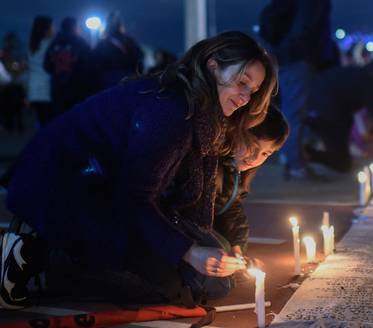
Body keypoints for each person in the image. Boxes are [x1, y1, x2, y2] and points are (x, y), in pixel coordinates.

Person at [0, 31, 277, 309]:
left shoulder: (202, 111)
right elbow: (133, 197)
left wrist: (196, 244)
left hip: (102, 189)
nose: (245, 98)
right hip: (62, 188)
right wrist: (190, 252)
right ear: (212, 65)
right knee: (177, 290)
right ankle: (42, 256)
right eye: (242, 82)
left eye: (252, 92)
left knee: (210, 280)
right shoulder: (171, 112)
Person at [260, 0, 335, 180]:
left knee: (295, 111)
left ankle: (295, 162)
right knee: (295, 113)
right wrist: (303, 52)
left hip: (293, 58)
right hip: (298, 59)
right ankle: (295, 165)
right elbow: (305, 26)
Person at [212, 106, 289, 256]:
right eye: (252, 146)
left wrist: (237, 246)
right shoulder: (212, 167)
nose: (255, 158)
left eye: (265, 153)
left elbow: (232, 209)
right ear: (235, 132)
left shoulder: (236, 171)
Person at [303, 63, 373, 172]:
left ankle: (307, 153)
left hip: (317, 109)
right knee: (343, 164)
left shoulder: (356, 72)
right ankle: (306, 153)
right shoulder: (367, 81)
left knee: (342, 156)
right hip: (328, 115)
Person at [44, 17, 93, 116]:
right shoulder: (80, 43)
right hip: (77, 88)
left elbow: (46, 65)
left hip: (57, 88)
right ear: (74, 27)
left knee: (60, 119)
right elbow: (90, 64)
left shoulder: (54, 44)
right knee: (77, 118)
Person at [93, 12, 144, 91]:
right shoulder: (128, 40)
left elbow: (95, 61)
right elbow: (139, 56)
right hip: (127, 76)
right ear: (120, 25)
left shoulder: (102, 43)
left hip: (107, 78)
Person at [27, 15, 54, 126]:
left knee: (41, 120)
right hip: (46, 88)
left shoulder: (31, 45)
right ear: (46, 29)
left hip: (34, 88)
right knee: (50, 121)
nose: (54, 29)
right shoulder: (49, 44)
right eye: (52, 27)